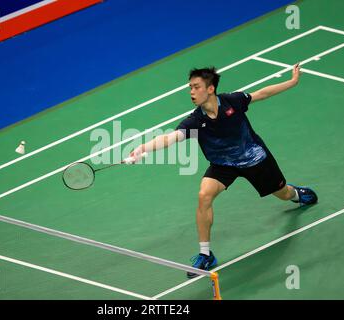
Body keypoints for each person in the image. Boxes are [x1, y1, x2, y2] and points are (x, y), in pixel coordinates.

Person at [129, 64, 318, 278]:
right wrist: (142, 148)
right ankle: (205, 254)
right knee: (204, 195)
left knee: (282, 194)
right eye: (189, 87)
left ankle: (296, 194)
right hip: (222, 165)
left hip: (254, 158)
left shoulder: (232, 101)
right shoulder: (195, 120)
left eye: (196, 86)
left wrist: (291, 82)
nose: (191, 91)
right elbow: (170, 138)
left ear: (210, 89)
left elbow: (262, 93)